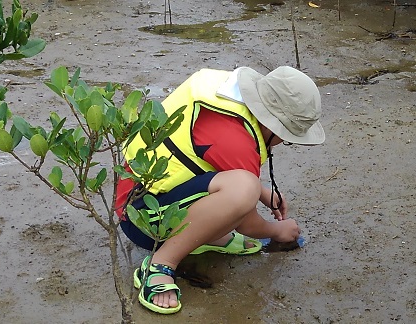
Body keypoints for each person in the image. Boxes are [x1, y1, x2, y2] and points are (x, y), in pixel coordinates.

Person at [115, 66, 325, 314]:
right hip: (141, 221)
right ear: (274, 125)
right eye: (287, 137)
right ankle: (160, 263)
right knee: (243, 190)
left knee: (246, 187)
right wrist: (276, 230)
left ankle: (205, 234)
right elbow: (246, 222)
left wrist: (263, 192)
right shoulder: (236, 141)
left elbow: (203, 159)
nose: (283, 142)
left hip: (140, 193)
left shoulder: (226, 97)